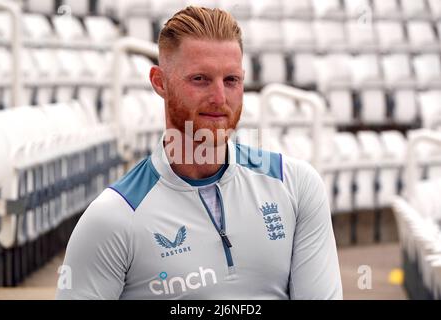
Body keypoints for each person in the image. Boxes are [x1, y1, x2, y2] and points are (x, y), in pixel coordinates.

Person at [56, 6, 343, 300]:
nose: (219, 98)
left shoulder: (297, 185)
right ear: (160, 82)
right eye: (200, 79)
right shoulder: (113, 217)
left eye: (231, 80)